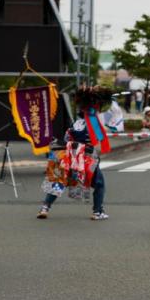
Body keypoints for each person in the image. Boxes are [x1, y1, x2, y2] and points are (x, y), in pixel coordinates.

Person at [37, 85, 111, 221]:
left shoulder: (76, 123)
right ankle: (98, 211)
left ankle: (45, 207)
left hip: (70, 156)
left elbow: (66, 139)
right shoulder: (93, 121)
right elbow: (99, 141)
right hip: (86, 158)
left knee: (60, 181)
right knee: (99, 184)